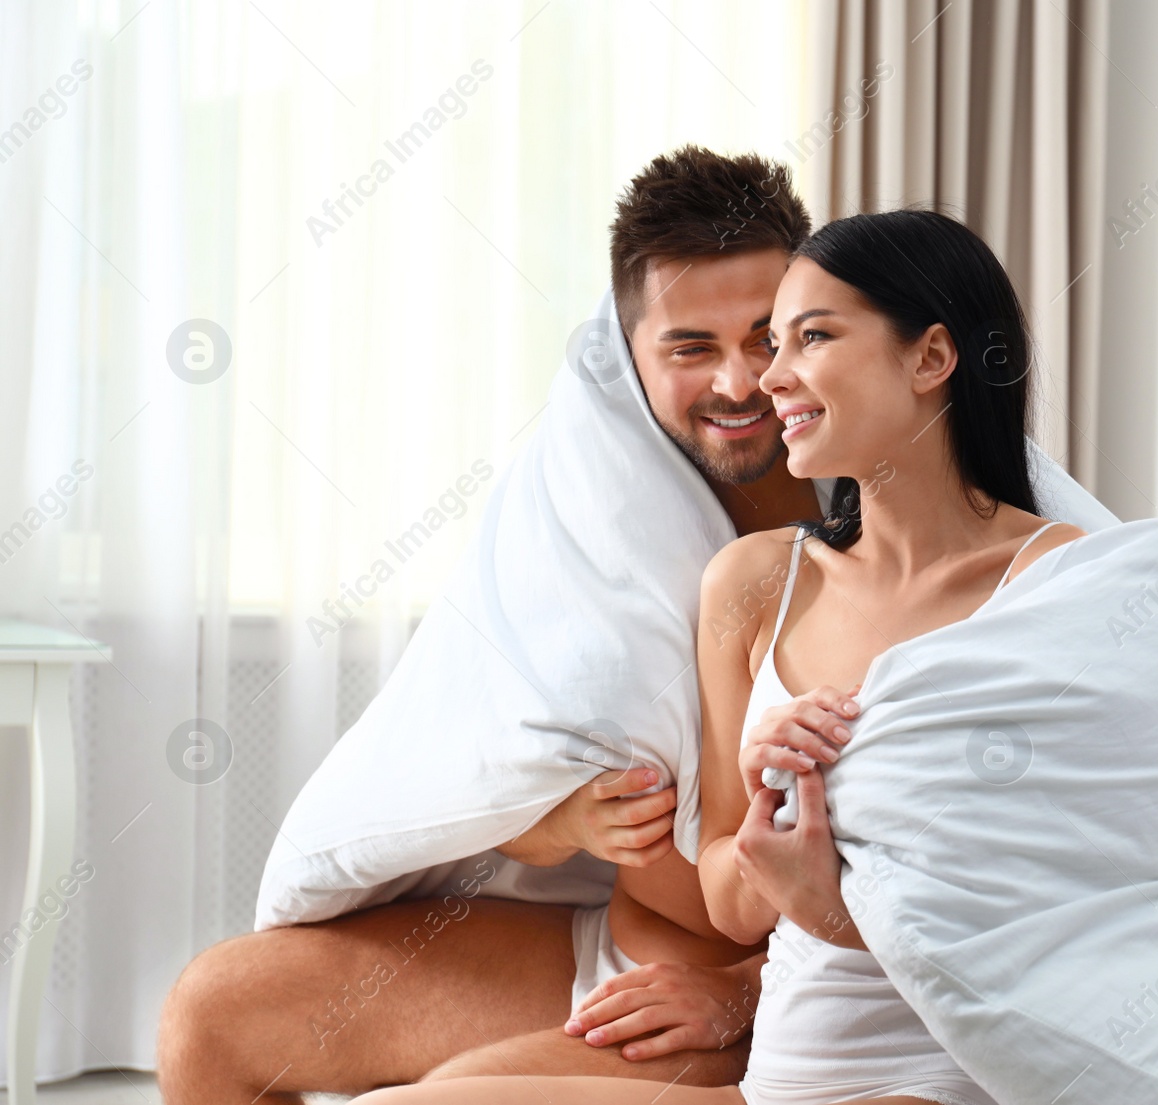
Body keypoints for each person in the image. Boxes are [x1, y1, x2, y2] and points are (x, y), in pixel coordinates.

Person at [346, 210, 1083, 1105]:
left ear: (931, 359)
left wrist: (823, 909)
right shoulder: (754, 580)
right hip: (776, 1078)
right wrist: (768, 797)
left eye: (805, 338)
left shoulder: (1057, 579)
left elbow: (1069, 883)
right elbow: (730, 896)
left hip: (933, 1073)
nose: (767, 378)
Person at [156, 147, 826, 1105]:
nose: (738, 380)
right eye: (690, 347)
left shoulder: (879, 509)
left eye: (768, 337)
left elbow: (956, 846)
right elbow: (492, 734)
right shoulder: (593, 496)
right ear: (628, 350)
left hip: (747, 990)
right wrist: (547, 818)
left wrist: (743, 991)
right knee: (211, 1015)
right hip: (607, 933)